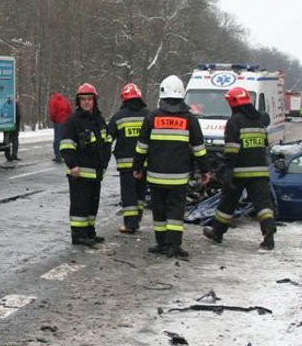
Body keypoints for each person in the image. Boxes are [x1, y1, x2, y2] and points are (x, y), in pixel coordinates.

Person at [132, 74, 210, 258]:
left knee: (159, 210)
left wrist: (137, 167)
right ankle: (174, 245)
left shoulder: (152, 117)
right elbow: (199, 148)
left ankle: (161, 244)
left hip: (155, 175)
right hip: (178, 177)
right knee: (175, 210)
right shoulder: (190, 119)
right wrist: (205, 170)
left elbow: (141, 146)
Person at [202, 86, 277, 250]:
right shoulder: (259, 120)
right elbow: (264, 145)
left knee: (227, 203)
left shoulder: (234, 121)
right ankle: (269, 236)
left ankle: (217, 232)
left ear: (233, 103)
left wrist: (227, 172)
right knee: (263, 205)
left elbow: (231, 150)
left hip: (239, 171)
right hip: (260, 170)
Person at [60, 83, 113, 246]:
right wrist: (73, 165)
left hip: (96, 172)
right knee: (80, 205)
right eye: (82, 99)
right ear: (78, 101)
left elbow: (107, 142)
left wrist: (104, 164)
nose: (86, 102)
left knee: (92, 204)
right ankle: (78, 235)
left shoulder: (98, 119)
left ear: (94, 100)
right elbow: (66, 146)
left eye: (89, 99)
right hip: (79, 173)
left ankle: (90, 232)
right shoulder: (73, 121)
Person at [108, 83, 149, 234]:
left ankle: (130, 224)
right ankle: (136, 220)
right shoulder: (148, 115)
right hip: (145, 164)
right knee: (140, 194)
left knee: (128, 195)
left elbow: (108, 138)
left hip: (126, 165)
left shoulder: (118, 117)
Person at [48, 92, 73, 162]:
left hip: (58, 121)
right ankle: (64, 154)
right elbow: (70, 110)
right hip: (65, 122)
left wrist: (53, 119)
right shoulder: (65, 100)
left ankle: (58, 156)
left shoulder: (54, 100)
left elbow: (52, 112)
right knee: (64, 139)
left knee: (57, 139)